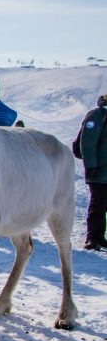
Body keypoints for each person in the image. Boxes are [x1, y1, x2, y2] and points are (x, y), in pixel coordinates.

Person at [79, 94, 107, 250]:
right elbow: (87, 142)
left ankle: (99, 236)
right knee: (98, 204)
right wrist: (91, 166)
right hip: (99, 170)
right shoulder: (98, 115)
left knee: (103, 204)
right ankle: (93, 238)